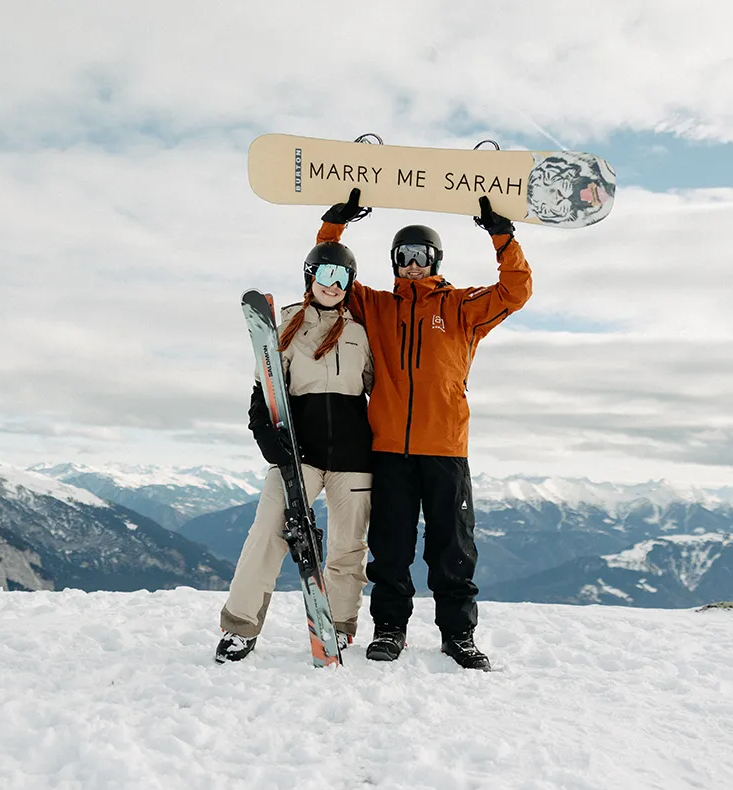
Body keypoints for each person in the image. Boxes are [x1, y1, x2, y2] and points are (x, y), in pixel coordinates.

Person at [316, 188, 532, 671]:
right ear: (393, 262)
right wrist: (335, 225)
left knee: (452, 548)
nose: (411, 265)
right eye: (402, 258)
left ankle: (459, 635)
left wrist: (502, 235)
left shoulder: (460, 308)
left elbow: (515, 292)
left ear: (435, 260)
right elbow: (329, 276)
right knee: (390, 548)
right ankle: (390, 629)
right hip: (390, 449)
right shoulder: (377, 307)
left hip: (445, 449)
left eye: (421, 257)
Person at [215, 240, 375, 663]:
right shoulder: (284, 324)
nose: (333, 284)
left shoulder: (361, 331)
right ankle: (240, 628)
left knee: (347, 547)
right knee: (266, 533)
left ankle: (337, 628)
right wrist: (267, 439)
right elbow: (261, 391)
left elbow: (381, 392)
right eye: (325, 275)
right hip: (298, 455)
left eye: (342, 278)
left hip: (353, 459)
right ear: (310, 277)